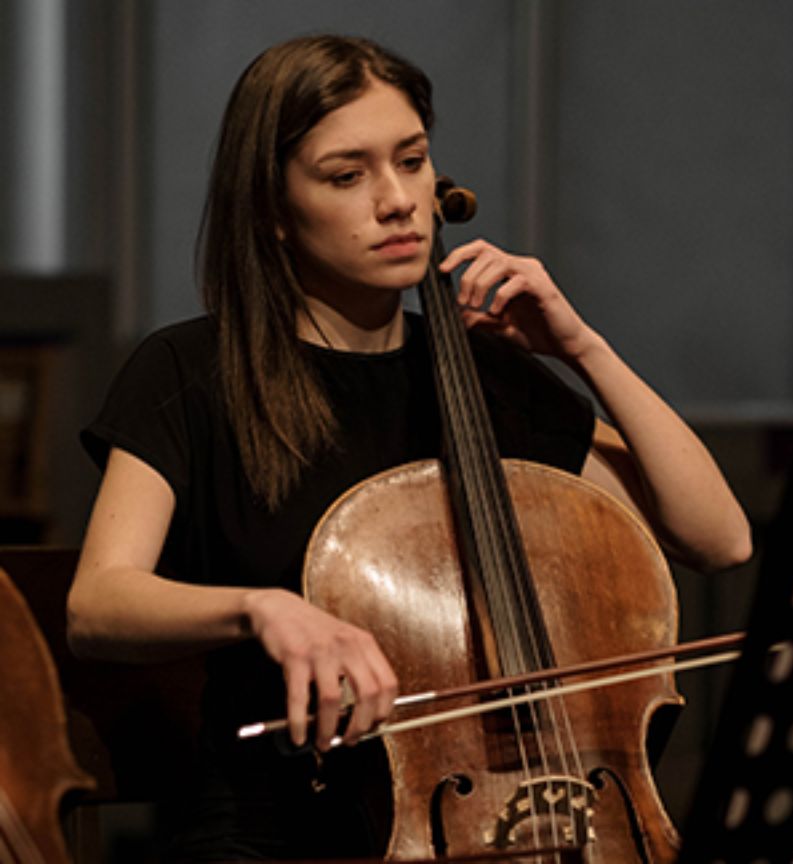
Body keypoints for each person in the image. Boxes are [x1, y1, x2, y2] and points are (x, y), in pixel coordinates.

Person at [66, 34, 752, 861]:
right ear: (274, 211)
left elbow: (718, 539)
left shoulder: (484, 381)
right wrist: (261, 606)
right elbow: (98, 603)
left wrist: (583, 349)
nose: (398, 201)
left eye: (413, 161)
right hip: (278, 832)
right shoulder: (189, 373)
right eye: (347, 176)